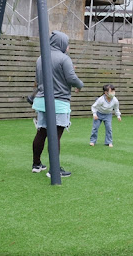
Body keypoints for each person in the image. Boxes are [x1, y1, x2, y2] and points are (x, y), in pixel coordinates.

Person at [31, 31, 84, 178]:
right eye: (67, 44)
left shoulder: (40, 58)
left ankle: (36, 164)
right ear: (61, 43)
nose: (68, 47)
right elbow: (71, 78)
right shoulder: (64, 59)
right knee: (55, 136)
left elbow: (37, 79)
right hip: (59, 102)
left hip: (41, 101)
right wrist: (80, 84)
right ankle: (54, 169)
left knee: (41, 132)